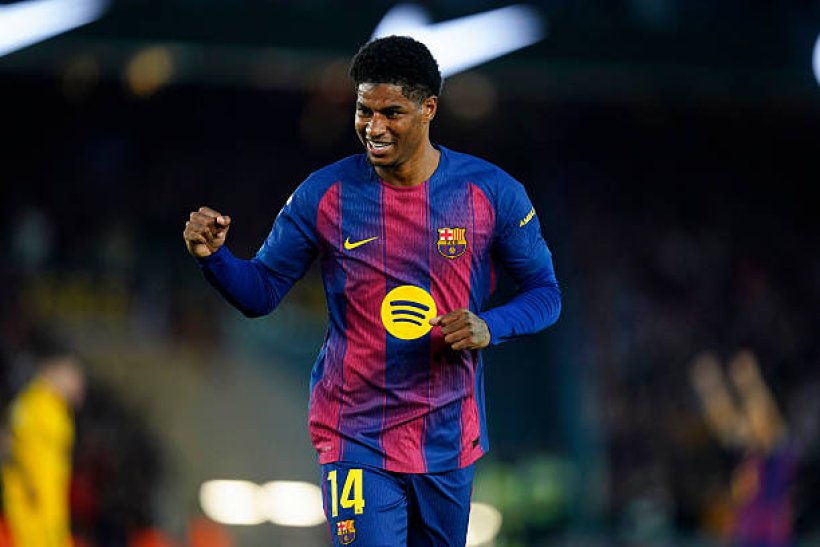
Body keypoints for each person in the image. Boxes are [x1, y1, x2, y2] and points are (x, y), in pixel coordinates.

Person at [183, 35, 561, 546]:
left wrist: (489, 326)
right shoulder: (324, 194)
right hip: (354, 435)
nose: (374, 127)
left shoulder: (491, 193)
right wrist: (215, 258)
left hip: (448, 439)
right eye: (365, 111)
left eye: (392, 113)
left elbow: (545, 294)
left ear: (428, 109)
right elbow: (261, 292)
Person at [690, 350, 796, 546]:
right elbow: (728, 429)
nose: (748, 426)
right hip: (747, 536)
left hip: (768, 537)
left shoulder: (777, 455)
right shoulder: (750, 456)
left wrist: (751, 383)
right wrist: (711, 389)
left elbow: (764, 424)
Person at [1, 351, 86, 547]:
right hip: (30, 500)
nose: (76, 384)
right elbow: (6, 443)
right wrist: (26, 482)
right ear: (53, 374)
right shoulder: (31, 403)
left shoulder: (58, 409)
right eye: (71, 377)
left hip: (52, 497)